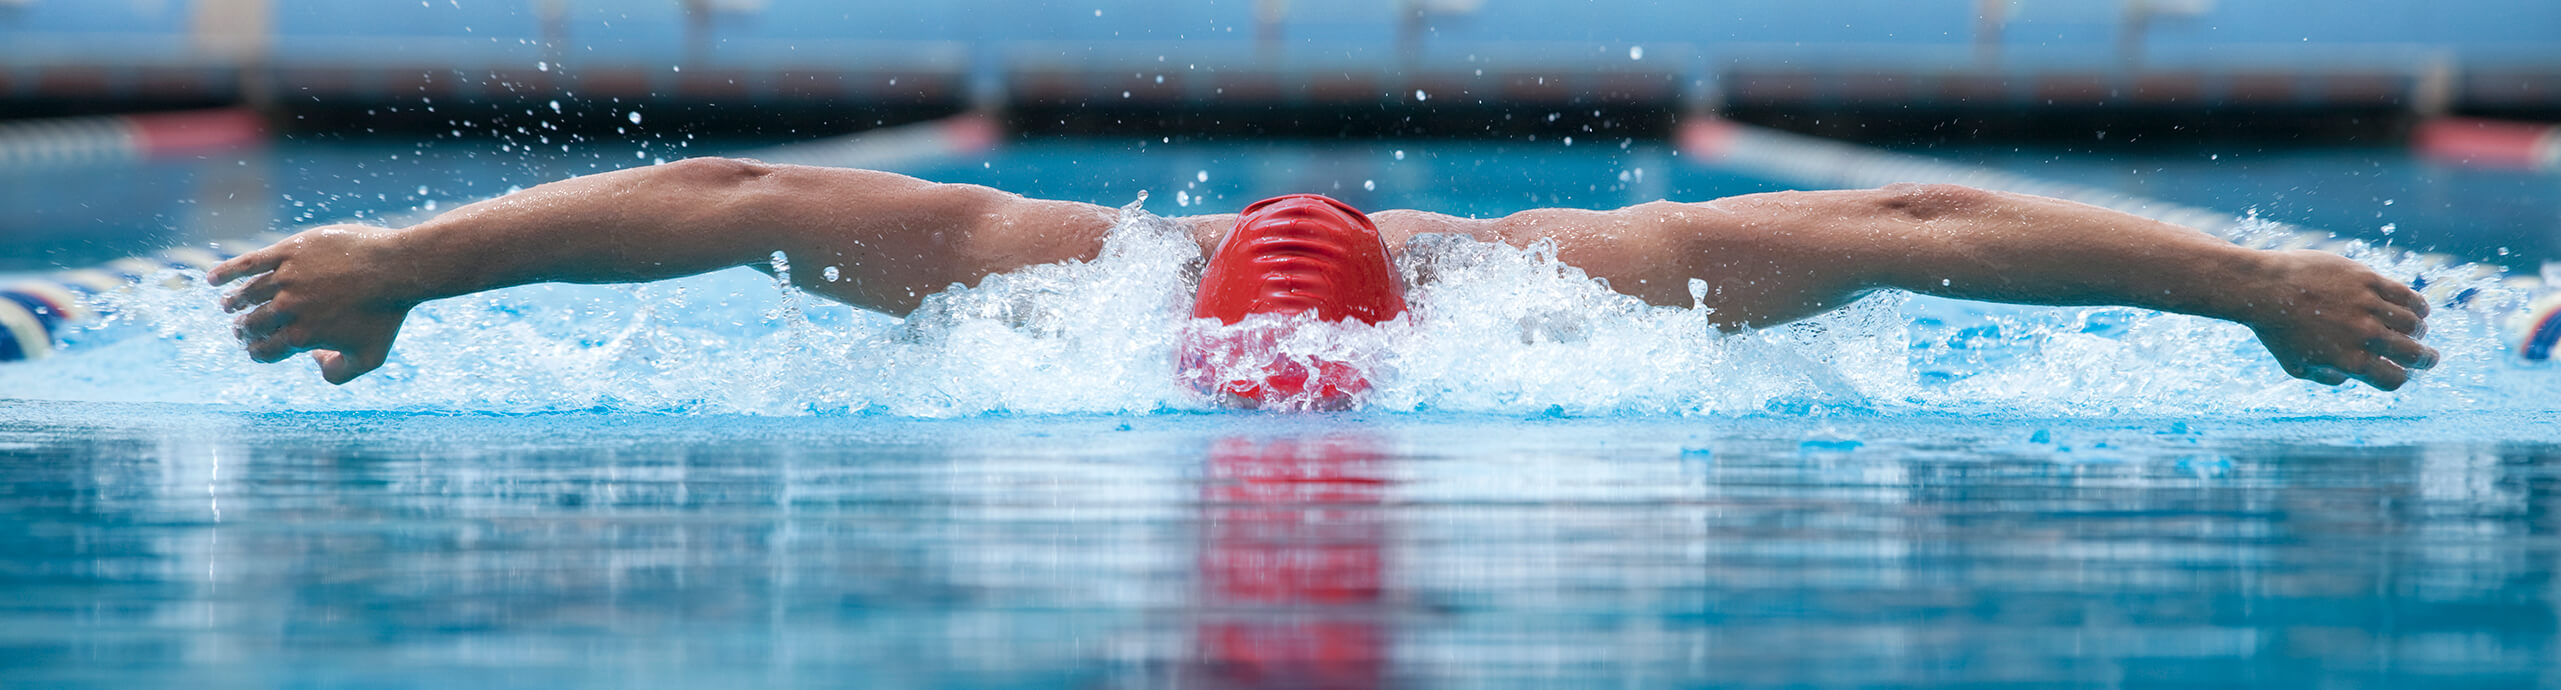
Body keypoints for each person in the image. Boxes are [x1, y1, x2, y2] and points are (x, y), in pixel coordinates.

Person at [205, 157, 2439, 396]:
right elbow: (1914, 238)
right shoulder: (1592, 293)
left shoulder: (1019, 287)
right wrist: (2239, 294)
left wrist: (410, 264)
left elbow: (715, 201)